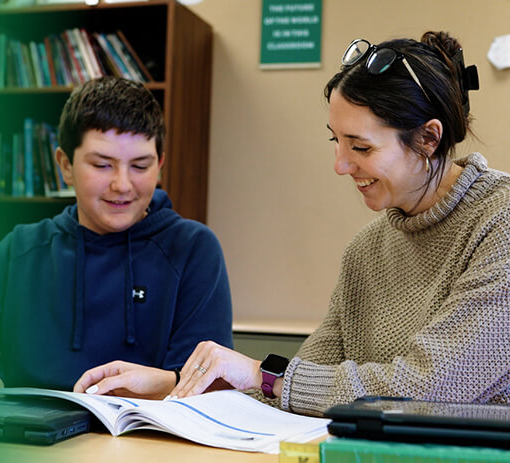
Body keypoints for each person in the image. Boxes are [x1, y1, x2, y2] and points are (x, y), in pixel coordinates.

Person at [74, 31, 510, 415]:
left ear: (428, 139)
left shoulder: (499, 221)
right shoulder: (367, 249)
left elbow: (427, 388)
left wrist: (265, 376)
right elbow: (298, 389)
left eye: (360, 146)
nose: (340, 165)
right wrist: (171, 384)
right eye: (335, 141)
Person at [0, 76, 233, 394]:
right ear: (65, 165)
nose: (122, 184)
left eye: (140, 166)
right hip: (32, 439)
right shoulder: (20, 251)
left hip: (148, 440)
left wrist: (167, 384)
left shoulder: (193, 250)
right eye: (102, 165)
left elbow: (207, 386)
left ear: (160, 165)